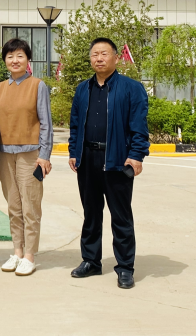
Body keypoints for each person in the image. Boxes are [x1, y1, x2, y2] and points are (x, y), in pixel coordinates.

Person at [68, 37, 149, 289]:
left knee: (121, 216)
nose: (99, 58)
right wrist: (74, 151)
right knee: (91, 214)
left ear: (116, 57)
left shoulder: (131, 88)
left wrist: (137, 155)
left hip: (117, 159)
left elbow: (139, 126)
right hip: (87, 159)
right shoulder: (83, 89)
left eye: (104, 53)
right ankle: (91, 261)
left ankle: (125, 267)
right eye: (95, 54)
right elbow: (75, 123)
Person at [0, 38, 53, 277]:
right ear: (5, 60)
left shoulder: (37, 85)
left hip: (30, 154)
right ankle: (17, 252)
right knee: (13, 205)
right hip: (4, 154)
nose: (15, 60)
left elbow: (46, 123)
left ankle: (30, 255)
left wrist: (44, 155)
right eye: (10, 56)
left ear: (28, 59)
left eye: (20, 56)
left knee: (30, 205)